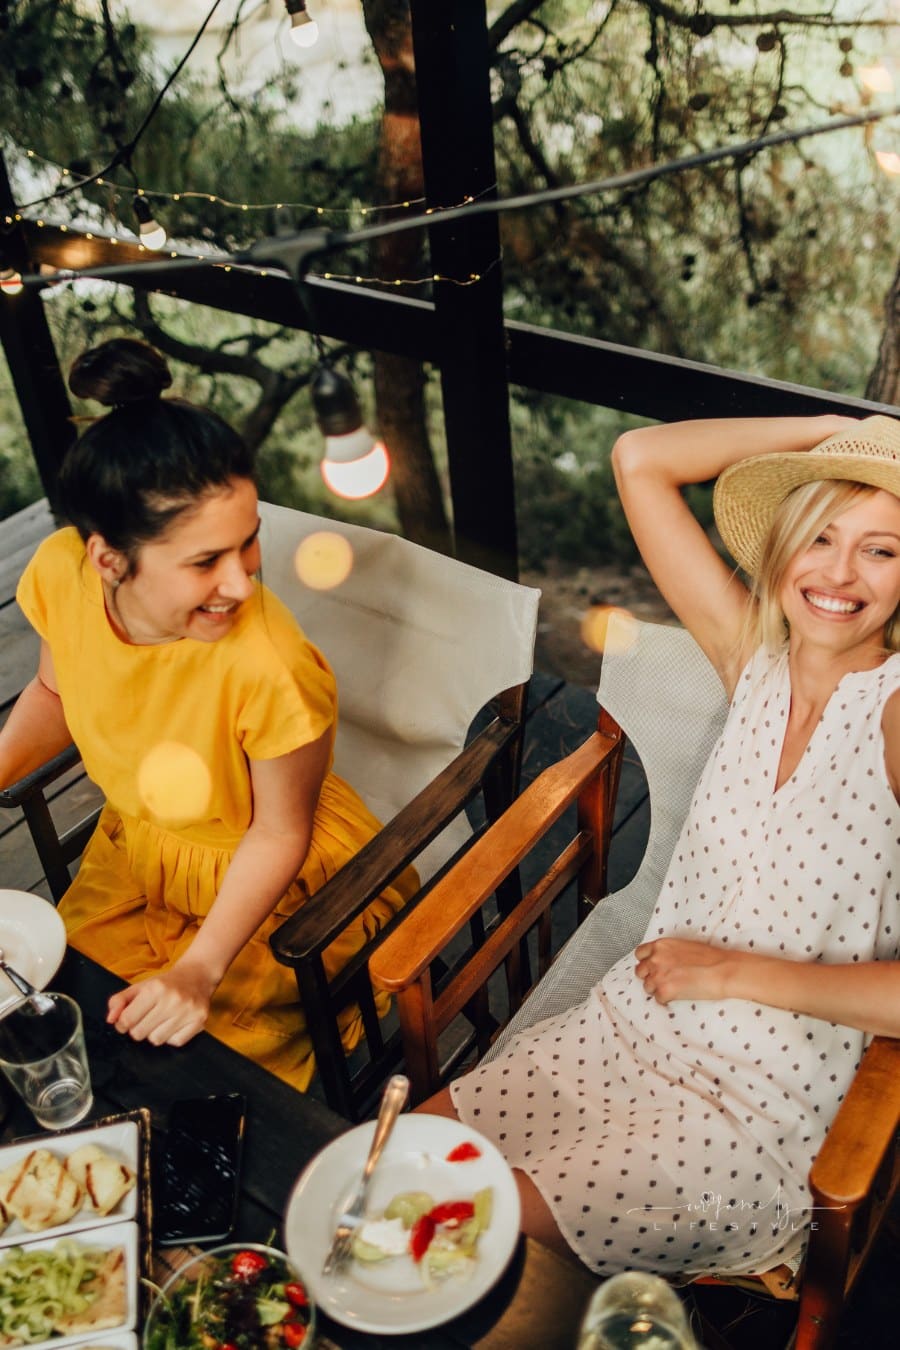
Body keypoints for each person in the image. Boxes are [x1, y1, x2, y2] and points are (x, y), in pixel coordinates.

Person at [422, 413, 900, 1279]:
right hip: (630, 1027)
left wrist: (728, 973)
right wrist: (840, 432)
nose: (838, 573)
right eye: (821, 535)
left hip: (761, 1111)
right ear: (785, 543)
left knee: (463, 1231)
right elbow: (639, 459)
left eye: (883, 550)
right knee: (404, 1162)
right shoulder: (753, 654)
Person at [0, 337, 416, 1092]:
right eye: (204, 561)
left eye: (248, 541)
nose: (241, 580)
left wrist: (198, 969)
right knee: (66, 1014)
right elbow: (56, 694)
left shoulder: (271, 663)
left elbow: (280, 831)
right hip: (135, 854)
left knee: (185, 1073)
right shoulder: (60, 574)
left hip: (266, 886)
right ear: (107, 559)